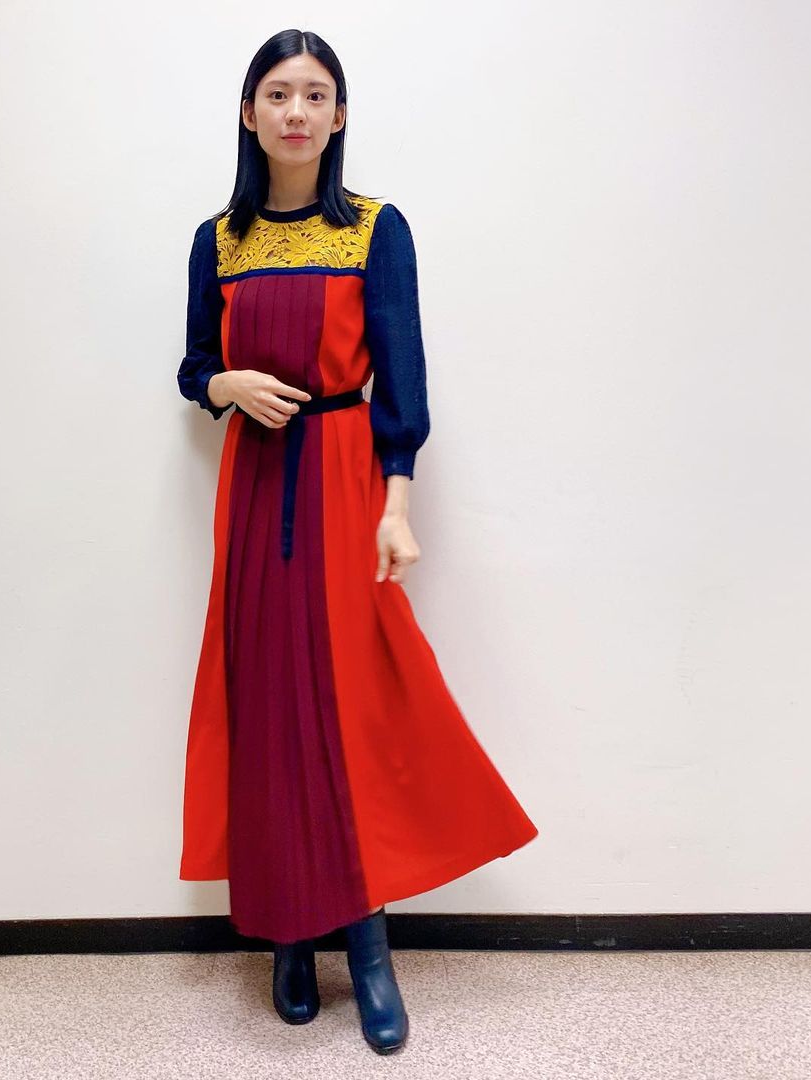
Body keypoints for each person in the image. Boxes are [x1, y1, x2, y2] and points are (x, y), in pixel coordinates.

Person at [176, 29, 539, 1055]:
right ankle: (288, 938)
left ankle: (368, 946)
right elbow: (193, 366)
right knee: (267, 703)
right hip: (254, 487)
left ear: (339, 116)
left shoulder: (377, 229)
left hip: (344, 479)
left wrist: (396, 504)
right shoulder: (218, 240)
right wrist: (223, 383)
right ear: (248, 113)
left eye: (315, 95)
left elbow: (402, 375)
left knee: (352, 705)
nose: (295, 112)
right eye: (276, 93)